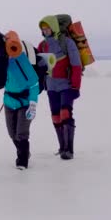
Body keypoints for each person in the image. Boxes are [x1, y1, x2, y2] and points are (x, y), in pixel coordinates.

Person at [37, 16, 82, 160]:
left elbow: (76, 64)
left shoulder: (67, 42)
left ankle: (69, 150)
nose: (45, 31)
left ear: (54, 27)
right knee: (55, 116)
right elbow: (38, 66)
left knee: (65, 113)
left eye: (47, 28)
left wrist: (75, 86)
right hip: (51, 86)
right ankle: (62, 147)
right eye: (43, 29)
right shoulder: (42, 45)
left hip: (67, 85)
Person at [2, 31, 39, 169]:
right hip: (9, 101)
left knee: (21, 134)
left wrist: (33, 103)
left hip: (24, 103)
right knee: (12, 134)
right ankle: (25, 152)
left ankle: (22, 160)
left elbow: (34, 83)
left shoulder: (22, 60)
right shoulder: (2, 61)